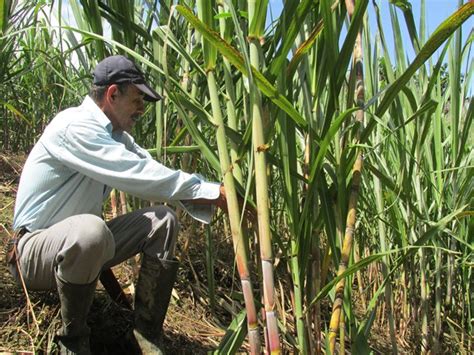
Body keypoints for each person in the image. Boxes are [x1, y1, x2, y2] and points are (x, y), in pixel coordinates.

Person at [8, 55, 227, 354]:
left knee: (163, 220)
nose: (142, 109)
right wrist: (212, 193)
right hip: (33, 254)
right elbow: (136, 173)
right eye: (137, 99)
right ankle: (73, 343)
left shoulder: (116, 136)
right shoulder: (76, 126)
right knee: (90, 230)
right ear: (113, 94)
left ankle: (144, 338)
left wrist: (210, 190)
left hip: (75, 248)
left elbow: (149, 166)